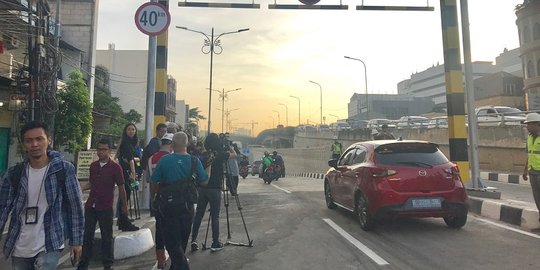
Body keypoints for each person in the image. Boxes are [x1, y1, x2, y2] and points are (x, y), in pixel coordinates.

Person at [0, 121, 84, 269]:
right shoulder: (14, 173)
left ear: (49, 140)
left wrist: (76, 241)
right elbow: (2, 208)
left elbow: (75, 207)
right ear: (23, 144)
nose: (34, 144)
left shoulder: (63, 170)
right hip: (20, 245)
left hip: (50, 242)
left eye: (39, 139)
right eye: (29, 140)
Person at [150, 132, 208, 270]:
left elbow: (153, 181)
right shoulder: (195, 161)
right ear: (187, 144)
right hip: (187, 207)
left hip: (168, 207)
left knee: (172, 242)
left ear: (172, 145)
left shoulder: (164, 160)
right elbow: (204, 182)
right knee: (182, 242)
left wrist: (153, 199)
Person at [77, 138, 129, 270]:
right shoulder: (93, 166)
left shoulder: (115, 167)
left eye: (104, 149)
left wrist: (124, 206)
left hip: (105, 207)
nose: (101, 152)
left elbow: (122, 187)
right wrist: (80, 188)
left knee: (107, 236)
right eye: (99, 149)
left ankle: (107, 264)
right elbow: (91, 183)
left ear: (109, 151)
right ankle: (83, 263)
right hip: (91, 206)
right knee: (87, 236)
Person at [191, 133, 236, 253]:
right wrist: (228, 145)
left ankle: (193, 241)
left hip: (203, 188)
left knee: (199, 215)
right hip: (215, 188)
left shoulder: (204, 154)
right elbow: (234, 155)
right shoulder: (220, 154)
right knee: (215, 216)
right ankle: (215, 243)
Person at [148, 133, 174, 269]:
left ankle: (160, 260)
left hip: (158, 197)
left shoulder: (151, 158)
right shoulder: (171, 158)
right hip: (171, 198)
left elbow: (151, 179)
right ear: (171, 144)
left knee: (159, 229)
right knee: (173, 229)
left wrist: (152, 198)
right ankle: (176, 257)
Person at [115, 123, 139, 231]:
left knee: (124, 197)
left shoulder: (129, 143)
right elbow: (130, 160)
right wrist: (133, 174)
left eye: (133, 129)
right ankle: (124, 222)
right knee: (125, 196)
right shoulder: (126, 143)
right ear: (125, 131)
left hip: (124, 171)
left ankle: (122, 220)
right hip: (126, 173)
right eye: (129, 129)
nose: (131, 131)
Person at [523, 112, 540, 222]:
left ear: (536, 124)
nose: (527, 127)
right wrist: (525, 170)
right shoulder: (529, 138)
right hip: (532, 172)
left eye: (529, 124)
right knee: (537, 197)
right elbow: (529, 154)